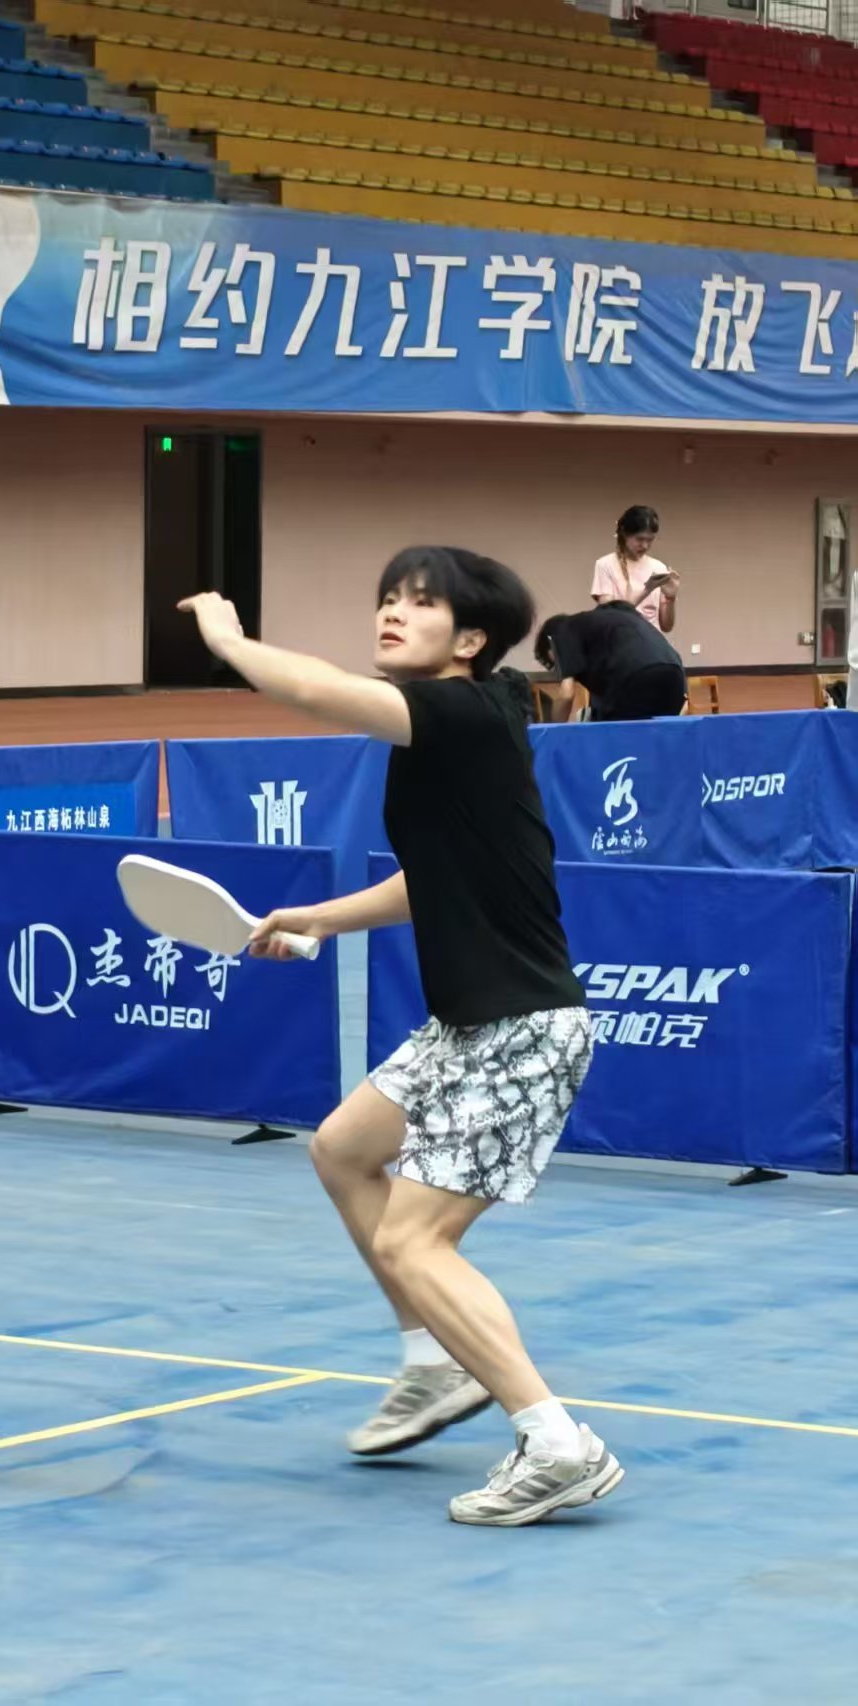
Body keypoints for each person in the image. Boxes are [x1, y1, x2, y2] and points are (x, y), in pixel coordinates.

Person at [177, 548, 622, 1528]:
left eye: (420, 603)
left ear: (469, 639)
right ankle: (432, 1362)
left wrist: (228, 642)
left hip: (520, 1031)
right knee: (343, 1149)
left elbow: (317, 689)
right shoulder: (460, 729)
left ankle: (556, 1442)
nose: (392, 612)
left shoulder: (460, 711)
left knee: (414, 1238)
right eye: (387, 597)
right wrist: (321, 917)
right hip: (465, 1024)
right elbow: (434, 880)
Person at [535, 602, 687, 723]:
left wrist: (549, 731)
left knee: (615, 741)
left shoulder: (561, 632)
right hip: (674, 674)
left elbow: (566, 695)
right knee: (655, 739)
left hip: (635, 678)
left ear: (549, 645)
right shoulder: (608, 620)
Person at [592, 505, 679, 635]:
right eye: (639, 539)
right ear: (625, 534)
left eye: (650, 540)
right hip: (620, 641)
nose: (645, 545)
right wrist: (646, 590)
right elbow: (609, 618)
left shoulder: (658, 567)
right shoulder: (605, 565)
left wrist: (670, 598)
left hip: (652, 643)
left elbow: (666, 626)